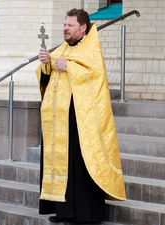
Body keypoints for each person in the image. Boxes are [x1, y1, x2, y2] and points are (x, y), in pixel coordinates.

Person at [36, 8, 126, 223]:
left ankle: (85, 215)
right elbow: (49, 79)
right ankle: (63, 211)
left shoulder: (91, 50)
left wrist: (69, 67)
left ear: (83, 28)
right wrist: (47, 64)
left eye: (70, 25)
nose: (65, 28)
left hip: (80, 120)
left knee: (79, 166)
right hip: (59, 119)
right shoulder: (63, 48)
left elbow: (96, 78)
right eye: (65, 25)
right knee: (62, 164)